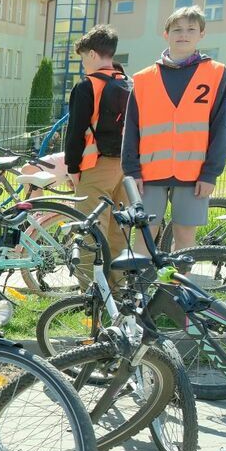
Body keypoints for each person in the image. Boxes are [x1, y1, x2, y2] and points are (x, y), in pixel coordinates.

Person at [123, 6, 226, 251]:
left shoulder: (215, 73)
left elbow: (220, 126)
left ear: (201, 33)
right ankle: (140, 289)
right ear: (166, 34)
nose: (183, 34)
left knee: (184, 237)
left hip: (194, 175)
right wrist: (132, 170)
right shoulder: (144, 78)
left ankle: (177, 289)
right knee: (144, 234)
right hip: (148, 173)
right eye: (177, 29)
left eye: (191, 29)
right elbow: (131, 128)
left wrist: (210, 173)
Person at [65, 25, 130, 284]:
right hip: (127, 167)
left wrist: (73, 168)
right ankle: (118, 289)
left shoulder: (87, 86)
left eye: (83, 58)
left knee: (90, 227)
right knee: (118, 230)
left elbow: (76, 131)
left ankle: (91, 293)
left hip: (96, 165)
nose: (83, 65)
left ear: (92, 54)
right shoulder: (129, 82)